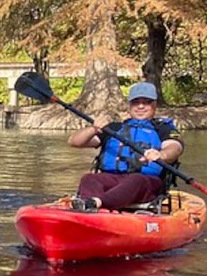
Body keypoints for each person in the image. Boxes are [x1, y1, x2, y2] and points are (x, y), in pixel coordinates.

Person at [67, 81, 183, 212]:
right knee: (90, 178)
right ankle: (89, 203)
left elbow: (175, 148)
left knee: (135, 180)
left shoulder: (163, 129)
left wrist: (161, 155)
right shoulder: (115, 128)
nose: (140, 106)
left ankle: (96, 203)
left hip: (146, 182)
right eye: (136, 102)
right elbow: (74, 142)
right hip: (113, 179)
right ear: (130, 105)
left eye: (146, 102)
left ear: (154, 105)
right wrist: (93, 129)